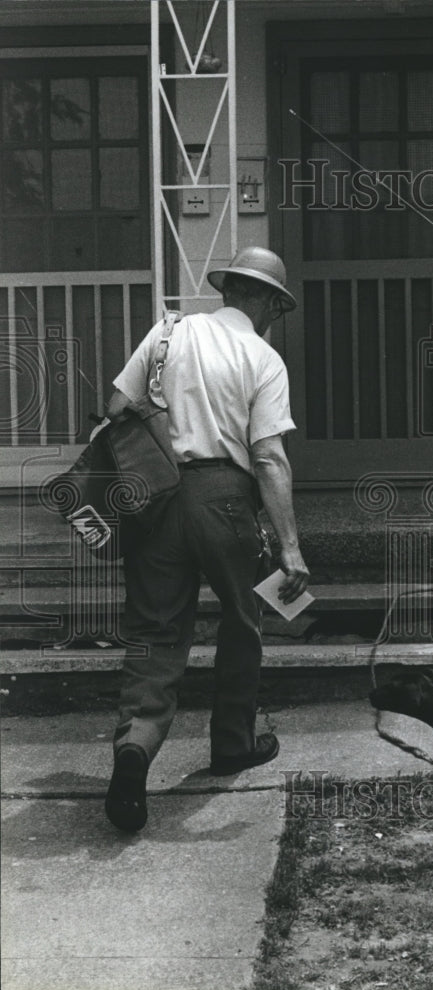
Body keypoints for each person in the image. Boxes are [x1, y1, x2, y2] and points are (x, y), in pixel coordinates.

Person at [103, 246, 309, 833]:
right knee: (245, 617)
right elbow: (269, 457)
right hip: (225, 498)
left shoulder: (168, 333)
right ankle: (232, 745)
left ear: (228, 290)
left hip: (156, 498)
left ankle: (135, 748)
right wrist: (290, 548)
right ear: (268, 300)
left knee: (155, 629)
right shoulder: (262, 358)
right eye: (277, 304)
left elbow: (118, 406)